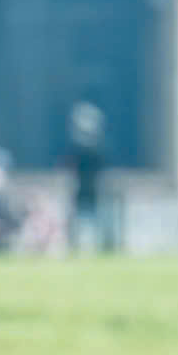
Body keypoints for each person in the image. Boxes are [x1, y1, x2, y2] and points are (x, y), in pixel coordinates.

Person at [63, 102, 110, 254]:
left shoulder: (91, 149)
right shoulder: (89, 149)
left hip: (90, 188)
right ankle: (77, 245)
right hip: (83, 187)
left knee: (94, 218)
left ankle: (90, 245)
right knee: (80, 219)